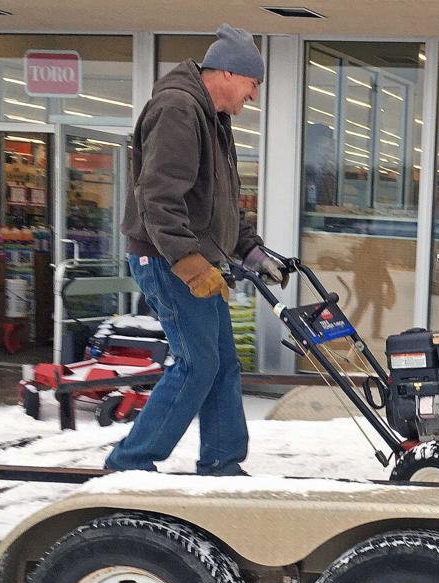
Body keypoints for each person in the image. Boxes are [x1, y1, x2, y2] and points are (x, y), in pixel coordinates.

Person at [105, 24, 285, 475]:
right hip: (167, 259)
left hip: (196, 260)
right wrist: (189, 264)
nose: (254, 95)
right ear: (227, 73)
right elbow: (158, 199)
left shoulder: (213, 118)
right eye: (253, 84)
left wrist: (252, 251)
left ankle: (222, 461)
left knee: (222, 364)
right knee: (197, 363)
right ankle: (130, 462)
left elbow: (220, 203)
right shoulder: (178, 109)